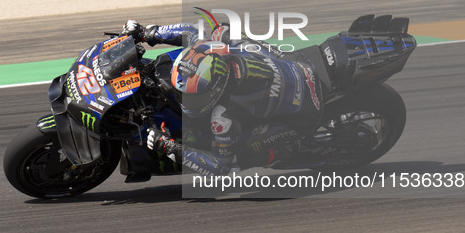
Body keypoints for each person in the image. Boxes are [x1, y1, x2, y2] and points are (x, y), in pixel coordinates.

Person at [122, 20, 324, 176]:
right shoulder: (211, 51)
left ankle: (293, 147)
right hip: (295, 65)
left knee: (239, 155)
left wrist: (170, 147)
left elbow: (219, 168)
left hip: (305, 112)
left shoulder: (223, 117)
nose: (185, 101)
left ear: (215, 91)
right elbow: (191, 31)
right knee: (222, 31)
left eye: (193, 97)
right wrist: (148, 33)